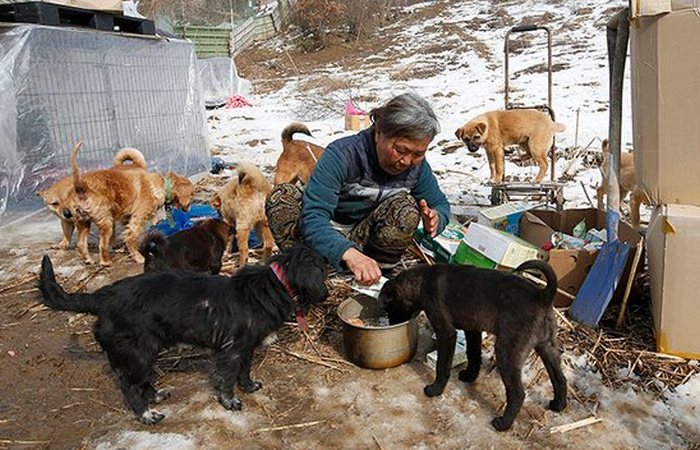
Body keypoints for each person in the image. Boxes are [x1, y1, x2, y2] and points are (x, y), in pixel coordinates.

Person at [266, 92, 450, 285]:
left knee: (405, 208)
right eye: (400, 150)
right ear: (379, 133)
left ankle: (376, 278)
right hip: (325, 230)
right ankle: (306, 273)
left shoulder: (416, 167)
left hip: (363, 235)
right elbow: (313, 218)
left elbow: (439, 203)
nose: (406, 161)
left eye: (418, 153)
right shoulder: (343, 156)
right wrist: (346, 252)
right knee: (280, 197)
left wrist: (437, 217)